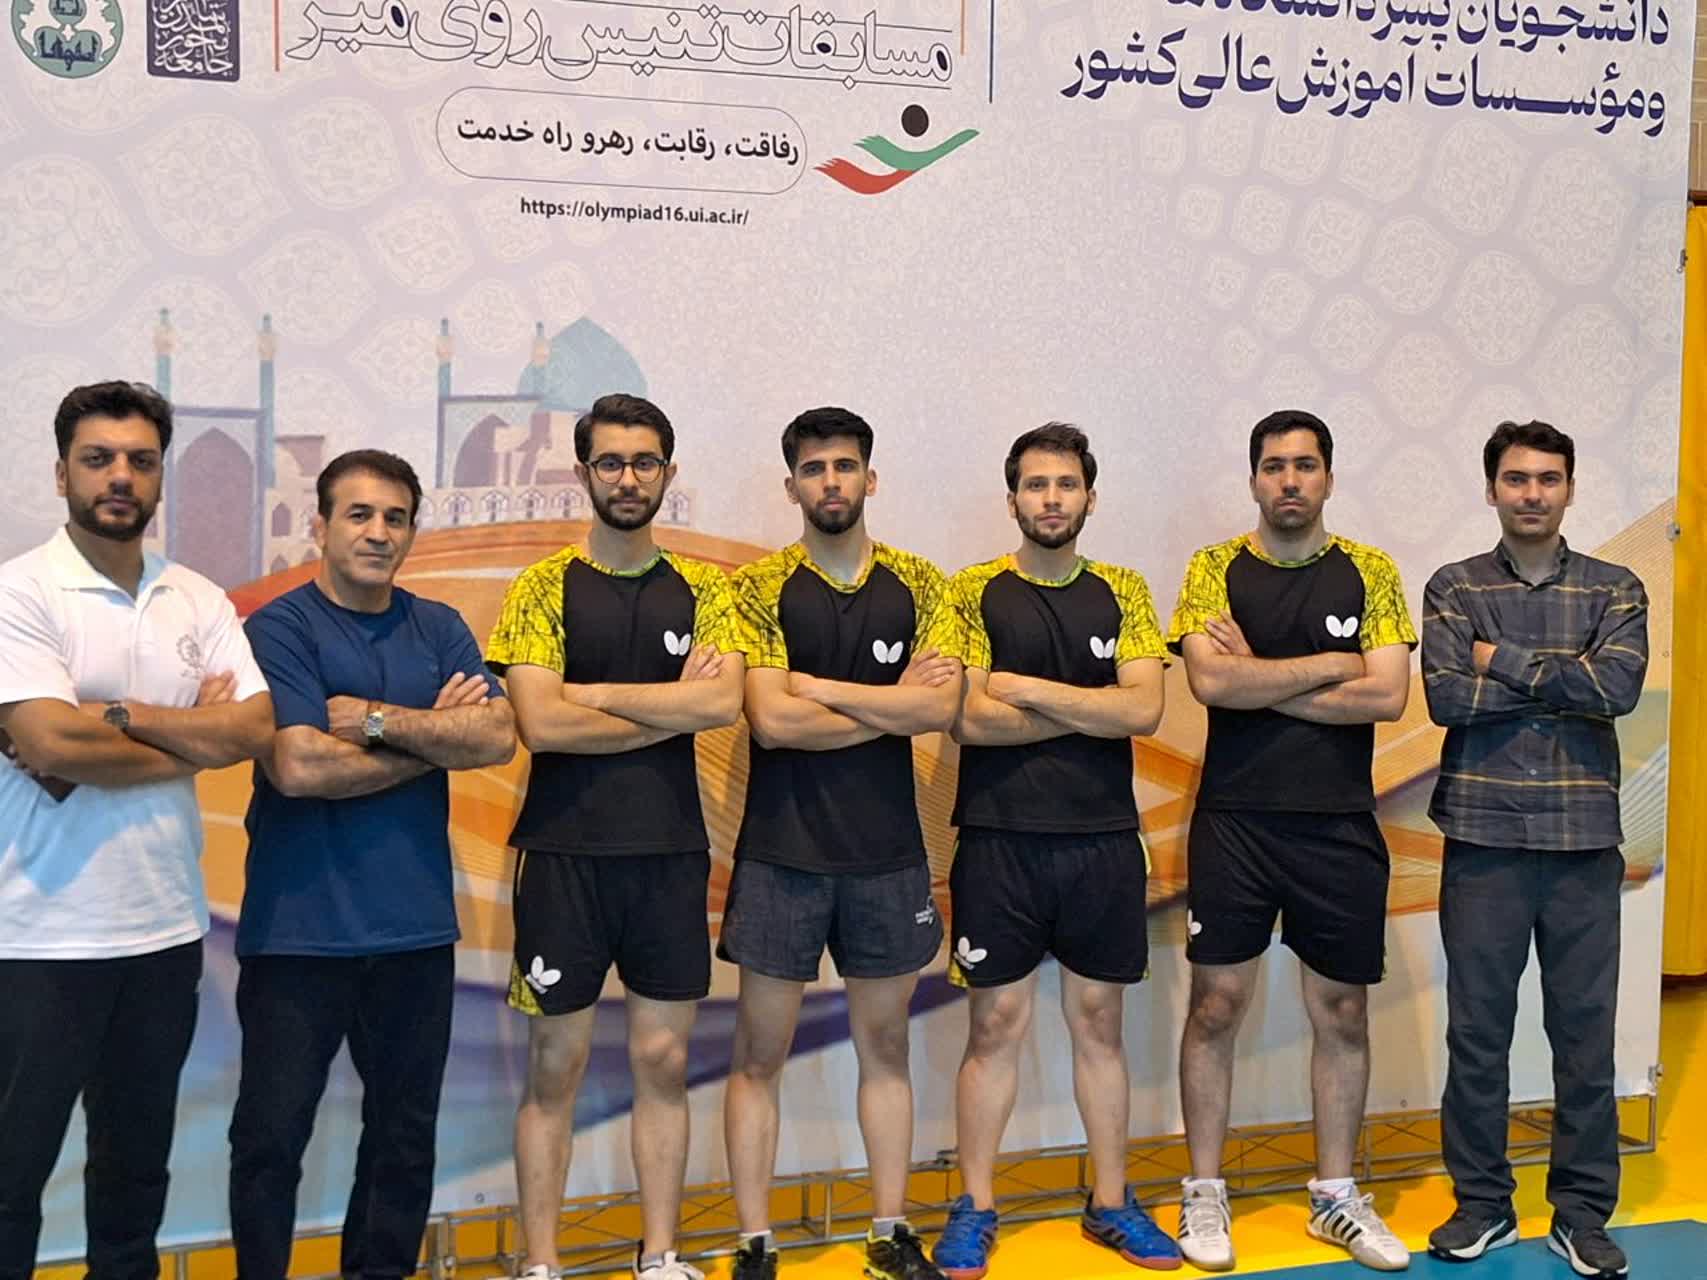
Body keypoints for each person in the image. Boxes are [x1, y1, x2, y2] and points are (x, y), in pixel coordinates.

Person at [0, 380, 274, 1280]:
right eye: (98, 459)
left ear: (160, 476)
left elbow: (253, 728)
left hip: (162, 934)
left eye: (140, 460)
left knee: (133, 1177)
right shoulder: (19, 593)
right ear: (62, 474)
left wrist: (108, 721)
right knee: (11, 1179)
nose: (120, 476)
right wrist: (191, 734)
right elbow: (50, 743)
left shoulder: (197, 597)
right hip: (37, 939)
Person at [229, 449, 517, 1280]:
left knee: (403, 1137)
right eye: (358, 514)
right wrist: (435, 738)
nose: (378, 532)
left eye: (395, 518)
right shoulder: (279, 629)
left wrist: (379, 722)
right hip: (296, 934)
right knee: (269, 1140)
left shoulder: (438, 626)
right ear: (319, 526)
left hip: (414, 932)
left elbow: (497, 736)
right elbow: (298, 766)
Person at [487, 394, 744, 1280]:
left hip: (670, 856)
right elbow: (541, 725)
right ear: (582, 472)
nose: (627, 478)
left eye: (643, 462)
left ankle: (659, 1255)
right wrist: (666, 705)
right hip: (562, 858)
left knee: (662, 1061)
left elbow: (721, 703)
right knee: (553, 1066)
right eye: (610, 462)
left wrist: (589, 694)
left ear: (668, 473)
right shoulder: (540, 587)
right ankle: (541, 1264)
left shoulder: (708, 589)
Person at [927, 423, 1181, 1278]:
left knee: (1099, 1024)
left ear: (1089, 498)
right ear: (1012, 500)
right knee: (994, 1025)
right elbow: (966, 718)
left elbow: (1142, 710)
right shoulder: (970, 590)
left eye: (1065, 484)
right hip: (997, 842)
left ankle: (1110, 1202)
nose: (1050, 498)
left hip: (1102, 842)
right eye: (1034, 485)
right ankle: (975, 1206)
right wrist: (1088, 706)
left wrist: (1026, 689)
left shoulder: (1124, 590)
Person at [1167, 409, 1416, 1273]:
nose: (1288, 480)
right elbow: (1208, 682)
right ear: (1253, 479)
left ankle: (1334, 1197)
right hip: (1233, 822)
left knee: (1341, 1011)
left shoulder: (1370, 571)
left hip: (1338, 826)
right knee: (1214, 1005)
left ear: (1328, 478)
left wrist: (1257, 676)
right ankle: (1204, 1191)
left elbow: (1388, 697)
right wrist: (1333, 664)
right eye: (1273, 465)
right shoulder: (1212, 568)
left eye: (1304, 465)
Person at [720, 407, 957, 1280]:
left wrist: (818, 688)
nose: (831, 481)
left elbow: (938, 708)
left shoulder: (921, 582)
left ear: (870, 478)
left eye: (845, 465)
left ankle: (889, 1233)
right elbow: (773, 723)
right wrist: (885, 701)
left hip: (886, 857)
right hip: (779, 854)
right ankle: (754, 1243)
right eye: (814, 468)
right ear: (792, 486)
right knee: (758, 1055)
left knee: (885, 1049)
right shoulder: (756, 587)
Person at [1421, 420, 1647, 1280]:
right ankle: (1482, 1206)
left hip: (1583, 842)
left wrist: (1500, 659)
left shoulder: (1614, 587)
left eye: (1547, 479)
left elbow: (1615, 689)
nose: (1531, 493)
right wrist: (1560, 680)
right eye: (1515, 479)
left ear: (1569, 490)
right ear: (1491, 490)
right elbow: (1447, 699)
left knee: (1584, 1037)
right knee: (1476, 1034)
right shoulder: (1453, 585)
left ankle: (1580, 1215)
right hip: (1482, 839)